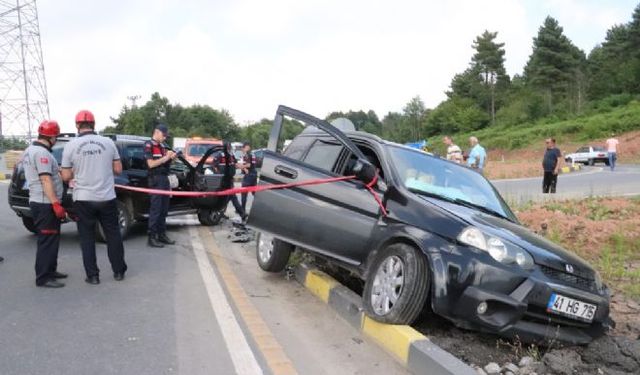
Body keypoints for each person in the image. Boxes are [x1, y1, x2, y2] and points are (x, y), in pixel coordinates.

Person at [61, 110, 127, 284]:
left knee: (87, 237)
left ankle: (93, 276)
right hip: (106, 197)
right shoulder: (108, 143)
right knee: (113, 234)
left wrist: (78, 169)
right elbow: (118, 169)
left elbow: (66, 176)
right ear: (94, 124)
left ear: (77, 125)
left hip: (83, 198)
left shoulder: (70, 146)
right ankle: (119, 271)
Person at [22, 120, 67, 288]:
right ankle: (43, 277)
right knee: (47, 239)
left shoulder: (29, 150)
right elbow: (45, 178)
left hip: (41, 201)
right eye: (56, 137)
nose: (56, 140)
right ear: (52, 137)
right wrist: (55, 203)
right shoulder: (42, 153)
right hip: (45, 202)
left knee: (52, 237)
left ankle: (51, 270)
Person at [143, 124, 177, 248]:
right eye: (163, 135)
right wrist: (166, 157)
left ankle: (162, 234)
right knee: (156, 210)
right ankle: (152, 237)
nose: (164, 138)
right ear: (156, 132)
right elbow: (151, 164)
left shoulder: (163, 146)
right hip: (155, 180)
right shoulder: (149, 145)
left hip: (164, 179)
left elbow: (165, 164)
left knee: (164, 209)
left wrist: (172, 158)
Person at [213, 141, 247, 221]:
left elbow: (235, 164)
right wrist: (219, 175)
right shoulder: (220, 155)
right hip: (223, 180)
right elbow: (214, 166)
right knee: (231, 196)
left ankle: (221, 212)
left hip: (230, 179)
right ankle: (242, 213)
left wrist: (243, 167)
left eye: (230, 146)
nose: (230, 147)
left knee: (227, 197)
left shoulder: (231, 155)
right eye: (228, 146)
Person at [239, 142, 258, 212]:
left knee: (244, 192)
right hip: (254, 174)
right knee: (254, 192)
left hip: (249, 175)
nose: (242, 150)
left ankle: (242, 209)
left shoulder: (247, 154)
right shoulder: (252, 153)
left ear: (245, 147)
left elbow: (249, 165)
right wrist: (244, 168)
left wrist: (242, 166)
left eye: (242, 149)